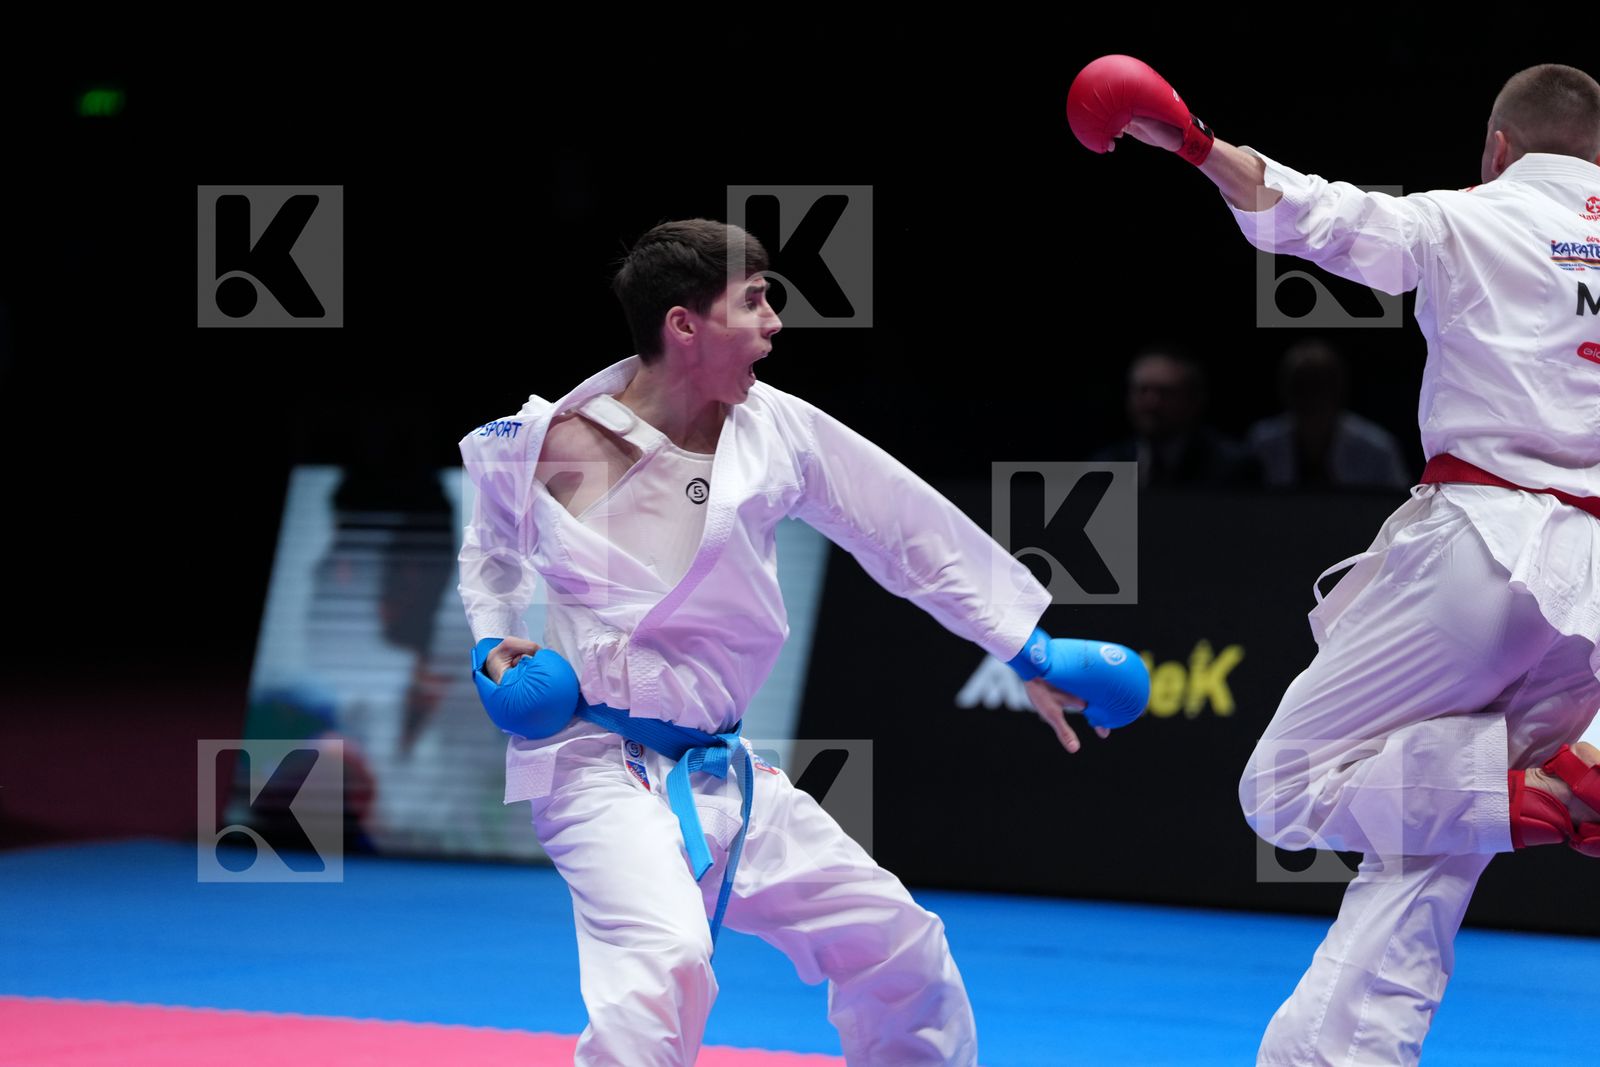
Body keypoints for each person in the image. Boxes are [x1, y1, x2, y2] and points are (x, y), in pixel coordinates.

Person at [454, 218, 1147, 1066]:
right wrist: (496, 643)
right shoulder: (552, 444)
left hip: (724, 770)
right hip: (595, 765)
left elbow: (901, 526)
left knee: (899, 943)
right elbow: (489, 553)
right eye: (754, 301)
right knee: (662, 968)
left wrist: (1025, 648)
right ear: (684, 325)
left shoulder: (774, 429)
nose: (776, 321)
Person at [1069, 56, 1600, 1065]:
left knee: (1288, 783)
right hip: (1593, 599)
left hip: (1488, 547)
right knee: (1429, 843)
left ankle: (1560, 789)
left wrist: (1188, 140)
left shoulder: (1470, 215)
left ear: (1497, 148)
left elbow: (1313, 213)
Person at [1247, 338, 1411, 490]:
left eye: (1318, 387)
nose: (1309, 397)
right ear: (1285, 390)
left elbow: (1402, 510)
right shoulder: (1261, 444)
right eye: (1300, 386)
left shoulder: (1378, 449)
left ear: (1338, 390)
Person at [1094, 346, 1258, 488]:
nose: (1151, 403)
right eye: (1142, 390)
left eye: (1165, 392)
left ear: (1193, 400)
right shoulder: (1104, 467)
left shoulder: (1231, 466)